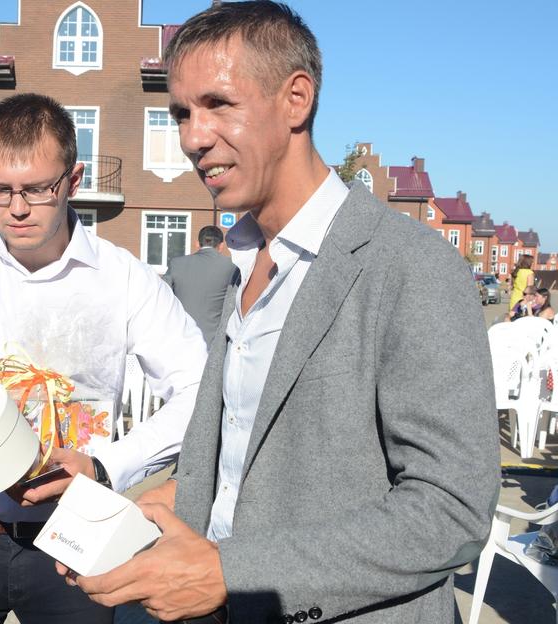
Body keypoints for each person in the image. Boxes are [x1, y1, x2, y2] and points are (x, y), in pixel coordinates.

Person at [66, 3, 499, 623]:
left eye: (218, 104)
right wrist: (163, 508)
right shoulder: (243, 259)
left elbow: (451, 509)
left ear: (296, 99)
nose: (192, 137)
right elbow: (254, 456)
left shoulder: (411, 265)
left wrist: (229, 573)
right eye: (182, 113)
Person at [0, 93, 207, 624]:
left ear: (73, 180)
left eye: (37, 189)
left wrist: (107, 466)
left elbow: (199, 388)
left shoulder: (123, 277)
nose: (16, 208)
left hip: (76, 537)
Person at [162, 225, 238, 345]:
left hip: (179, 341)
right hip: (213, 345)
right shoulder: (231, 267)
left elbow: (162, 298)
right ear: (221, 246)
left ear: (197, 244)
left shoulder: (176, 264)